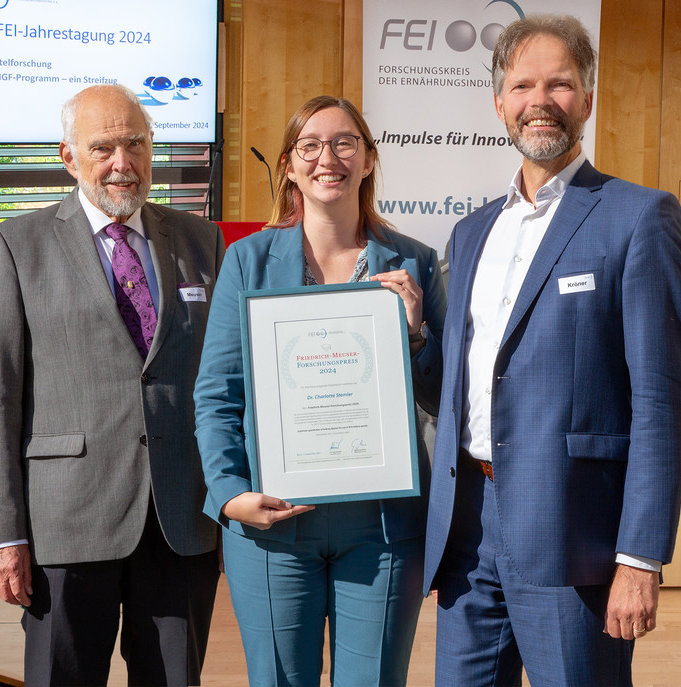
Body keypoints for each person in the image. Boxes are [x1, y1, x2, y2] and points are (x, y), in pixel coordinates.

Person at [424, 15, 681, 687]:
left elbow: (662, 402)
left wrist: (640, 556)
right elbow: (459, 389)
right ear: (499, 103)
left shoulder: (638, 218)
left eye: (560, 83)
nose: (538, 100)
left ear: (588, 98)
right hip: (468, 538)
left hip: (579, 543)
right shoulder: (470, 233)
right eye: (522, 85)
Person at [0, 84, 224, 686]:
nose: (122, 163)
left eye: (135, 144)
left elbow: (223, 378)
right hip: (66, 523)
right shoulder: (17, 245)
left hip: (179, 520)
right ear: (69, 158)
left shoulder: (200, 240)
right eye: (103, 147)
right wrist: (1, 534)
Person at [193, 95, 446, 686]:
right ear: (288, 164)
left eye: (344, 143)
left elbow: (442, 397)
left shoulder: (417, 263)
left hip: (381, 527)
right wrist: (229, 493)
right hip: (272, 524)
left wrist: (414, 336)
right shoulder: (246, 261)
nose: (326, 158)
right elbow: (217, 392)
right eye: (310, 145)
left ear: (368, 160)